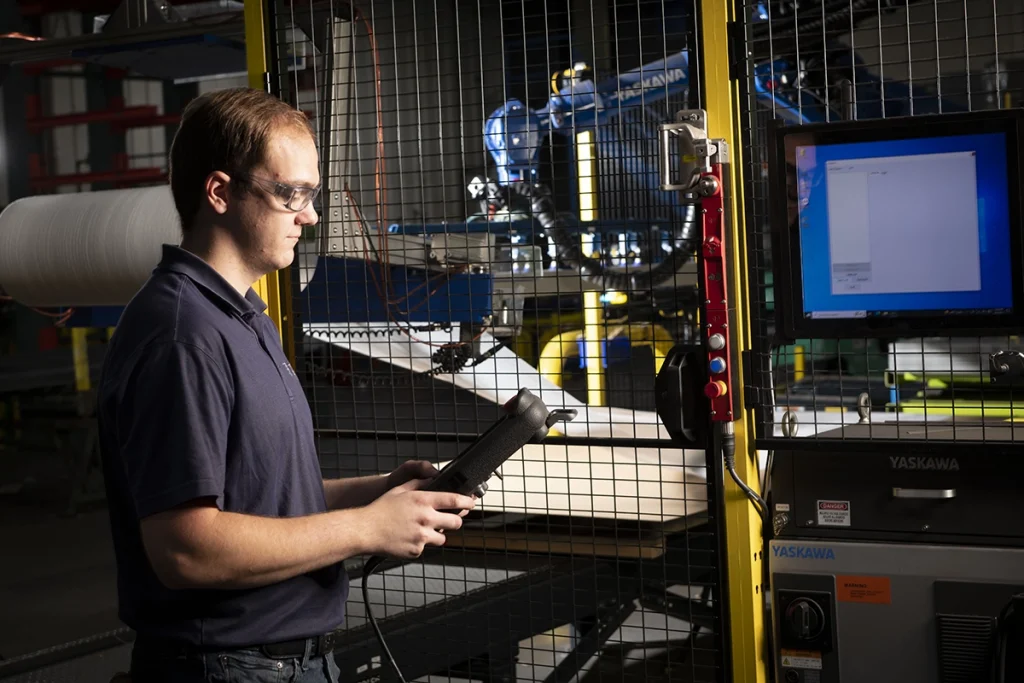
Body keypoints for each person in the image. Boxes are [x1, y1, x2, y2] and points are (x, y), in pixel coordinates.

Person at [96, 86, 476, 683]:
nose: (311, 216)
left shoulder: (241, 315)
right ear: (219, 192)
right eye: (290, 193)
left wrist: (377, 492)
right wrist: (366, 528)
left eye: (312, 194)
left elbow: (258, 499)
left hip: (284, 662)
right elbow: (186, 549)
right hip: (227, 667)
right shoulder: (183, 337)